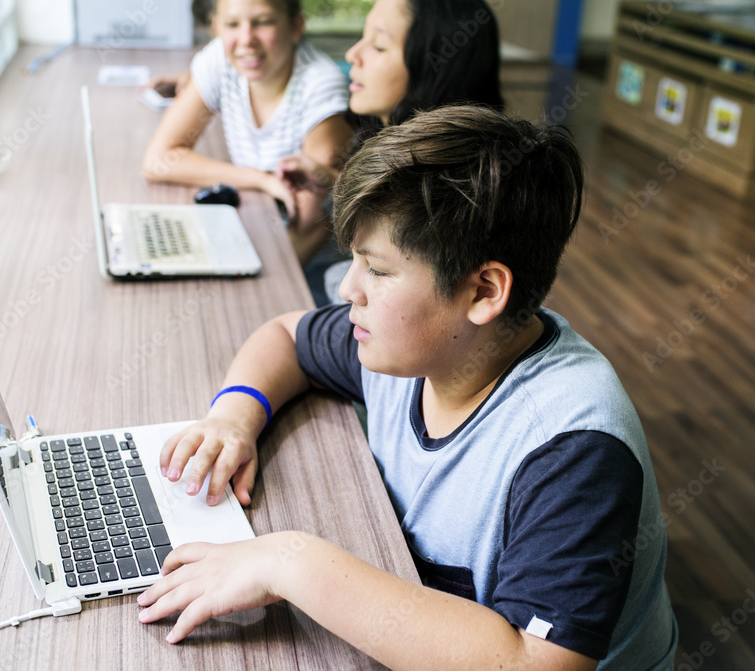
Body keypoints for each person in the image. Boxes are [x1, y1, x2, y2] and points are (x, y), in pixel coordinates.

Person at [137, 107, 679, 670]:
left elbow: (533, 662)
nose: (348, 288)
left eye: (377, 269)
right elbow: (285, 336)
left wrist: (290, 562)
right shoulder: (416, 344)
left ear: (483, 291)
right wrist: (233, 417)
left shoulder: (573, 447)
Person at [274, 0, 505, 304]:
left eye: (379, 46)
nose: (353, 54)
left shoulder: (455, 190)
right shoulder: (387, 146)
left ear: (435, 65)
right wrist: (332, 181)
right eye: (363, 37)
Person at [142, 0, 353, 266]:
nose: (246, 40)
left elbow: (311, 225)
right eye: (232, 24)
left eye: (263, 22)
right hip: (257, 233)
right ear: (216, 27)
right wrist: (261, 180)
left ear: (295, 27)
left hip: (311, 271)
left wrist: (256, 283)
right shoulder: (220, 57)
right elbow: (158, 161)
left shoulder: (320, 86)